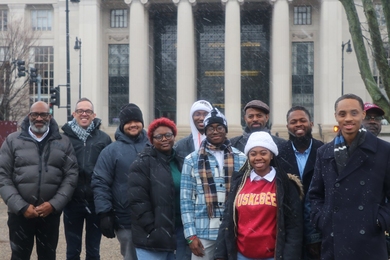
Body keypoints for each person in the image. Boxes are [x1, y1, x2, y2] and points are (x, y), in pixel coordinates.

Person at [309, 93, 390, 260]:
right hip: (333, 240)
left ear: (363, 114)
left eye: (354, 113)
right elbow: (315, 195)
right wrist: (322, 219)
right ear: (336, 117)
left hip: (369, 240)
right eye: (342, 114)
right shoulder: (324, 152)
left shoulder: (383, 150)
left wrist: (380, 220)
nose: (348, 119)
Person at [0, 101, 78, 260]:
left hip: (49, 215)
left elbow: (71, 176)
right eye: (35, 114)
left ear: (50, 116)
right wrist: (21, 206)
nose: (39, 118)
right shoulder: (12, 140)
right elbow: (2, 175)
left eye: (43, 114)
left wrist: (54, 204)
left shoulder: (63, 142)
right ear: (29, 116)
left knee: (48, 256)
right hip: (19, 215)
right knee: (19, 256)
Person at [214, 131, 303, 260]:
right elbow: (228, 220)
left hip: (273, 256)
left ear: (271, 155)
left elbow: (294, 227)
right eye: (253, 154)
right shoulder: (239, 182)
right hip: (241, 256)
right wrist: (220, 254)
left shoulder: (285, 184)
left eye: (263, 153)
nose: (258, 158)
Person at [180, 107, 247, 260]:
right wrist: (191, 235)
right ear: (205, 131)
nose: (215, 131)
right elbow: (186, 201)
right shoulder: (191, 160)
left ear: (226, 130)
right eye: (210, 128)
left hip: (234, 230)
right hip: (203, 232)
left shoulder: (241, 158)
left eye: (219, 127)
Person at [92, 103, 150, 260]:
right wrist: (104, 213)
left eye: (136, 121)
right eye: (128, 122)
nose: (133, 125)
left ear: (142, 123)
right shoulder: (110, 151)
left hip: (154, 215)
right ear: (122, 125)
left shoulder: (153, 146)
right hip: (125, 217)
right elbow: (100, 183)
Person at [128, 117, 187, 260]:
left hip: (179, 231)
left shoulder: (181, 161)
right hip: (152, 235)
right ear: (151, 140)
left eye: (168, 135)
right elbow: (137, 200)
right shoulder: (142, 162)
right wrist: (152, 229)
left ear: (174, 136)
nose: (164, 139)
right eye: (158, 136)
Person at [62, 98, 112, 260]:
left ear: (94, 115)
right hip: (72, 201)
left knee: (93, 250)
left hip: (95, 201)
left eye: (88, 111)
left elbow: (109, 170)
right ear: (74, 114)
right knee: (72, 250)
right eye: (81, 111)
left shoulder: (103, 139)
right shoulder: (64, 139)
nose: (84, 114)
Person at [278, 106, 323, 260]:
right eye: (293, 122)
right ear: (287, 126)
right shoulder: (278, 154)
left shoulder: (324, 151)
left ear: (311, 123)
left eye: (302, 120)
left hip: (318, 228)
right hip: (289, 230)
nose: (298, 124)